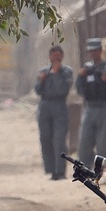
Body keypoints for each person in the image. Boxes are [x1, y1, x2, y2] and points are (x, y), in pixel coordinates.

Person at [75, 37, 106, 167]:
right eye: (91, 51)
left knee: (103, 144)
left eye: (96, 50)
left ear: (100, 51)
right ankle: (85, 170)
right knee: (84, 142)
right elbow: (79, 89)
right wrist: (81, 77)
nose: (93, 53)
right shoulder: (87, 69)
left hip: (105, 109)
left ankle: (100, 171)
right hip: (90, 108)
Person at [35, 45, 74, 180]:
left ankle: (60, 171)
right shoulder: (43, 72)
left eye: (58, 55)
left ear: (62, 56)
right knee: (45, 138)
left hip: (59, 106)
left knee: (59, 140)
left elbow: (62, 89)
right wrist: (42, 79)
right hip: (45, 106)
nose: (56, 58)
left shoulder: (66, 72)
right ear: (50, 57)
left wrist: (56, 74)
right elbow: (38, 90)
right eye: (53, 56)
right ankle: (50, 169)